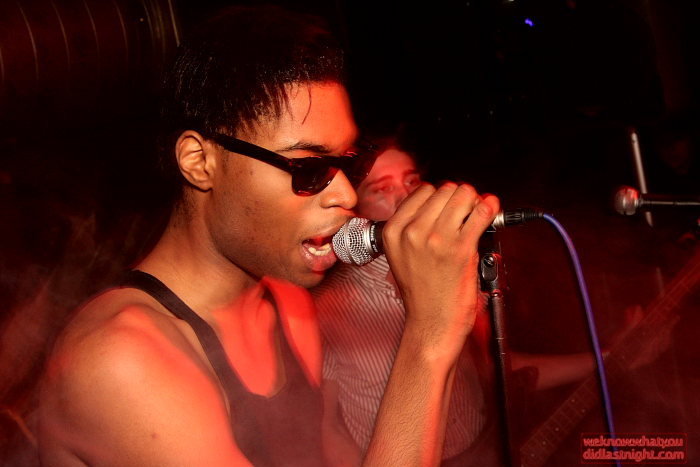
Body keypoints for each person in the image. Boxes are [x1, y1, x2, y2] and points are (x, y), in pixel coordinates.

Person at [37, 6, 500, 466]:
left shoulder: (288, 303)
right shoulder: (120, 360)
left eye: (349, 163)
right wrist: (430, 335)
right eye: (307, 167)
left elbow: (327, 449)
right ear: (199, 162)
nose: (344, 194)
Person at [311, 128, 674, 466]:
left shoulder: (459, 275)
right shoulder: (326, 310)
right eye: (382, 189)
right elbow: (327, 430)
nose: (408, 197)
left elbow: (496, 367)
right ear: (356, 215)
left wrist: (611, 357)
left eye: (412, 181)